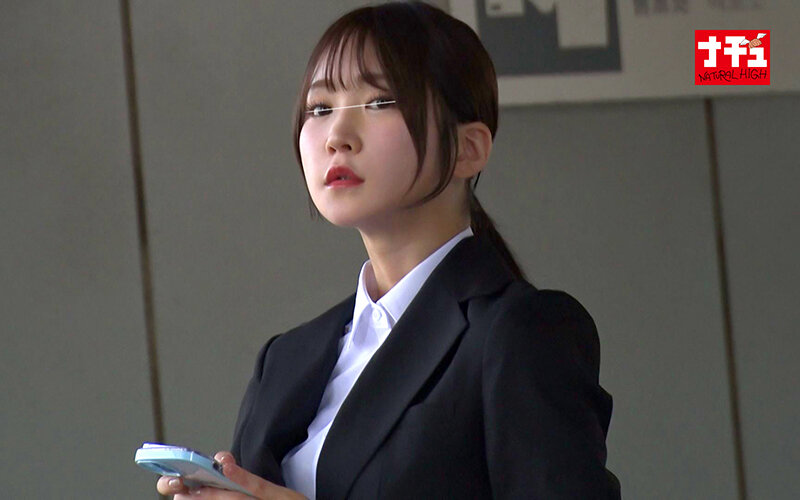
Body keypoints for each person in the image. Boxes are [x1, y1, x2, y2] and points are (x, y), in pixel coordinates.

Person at [158, 2, 620, 498]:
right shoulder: (286, 358)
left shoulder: (521, 332)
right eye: (320, 109)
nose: (337, 137)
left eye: (380, 102)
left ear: (468, 149)